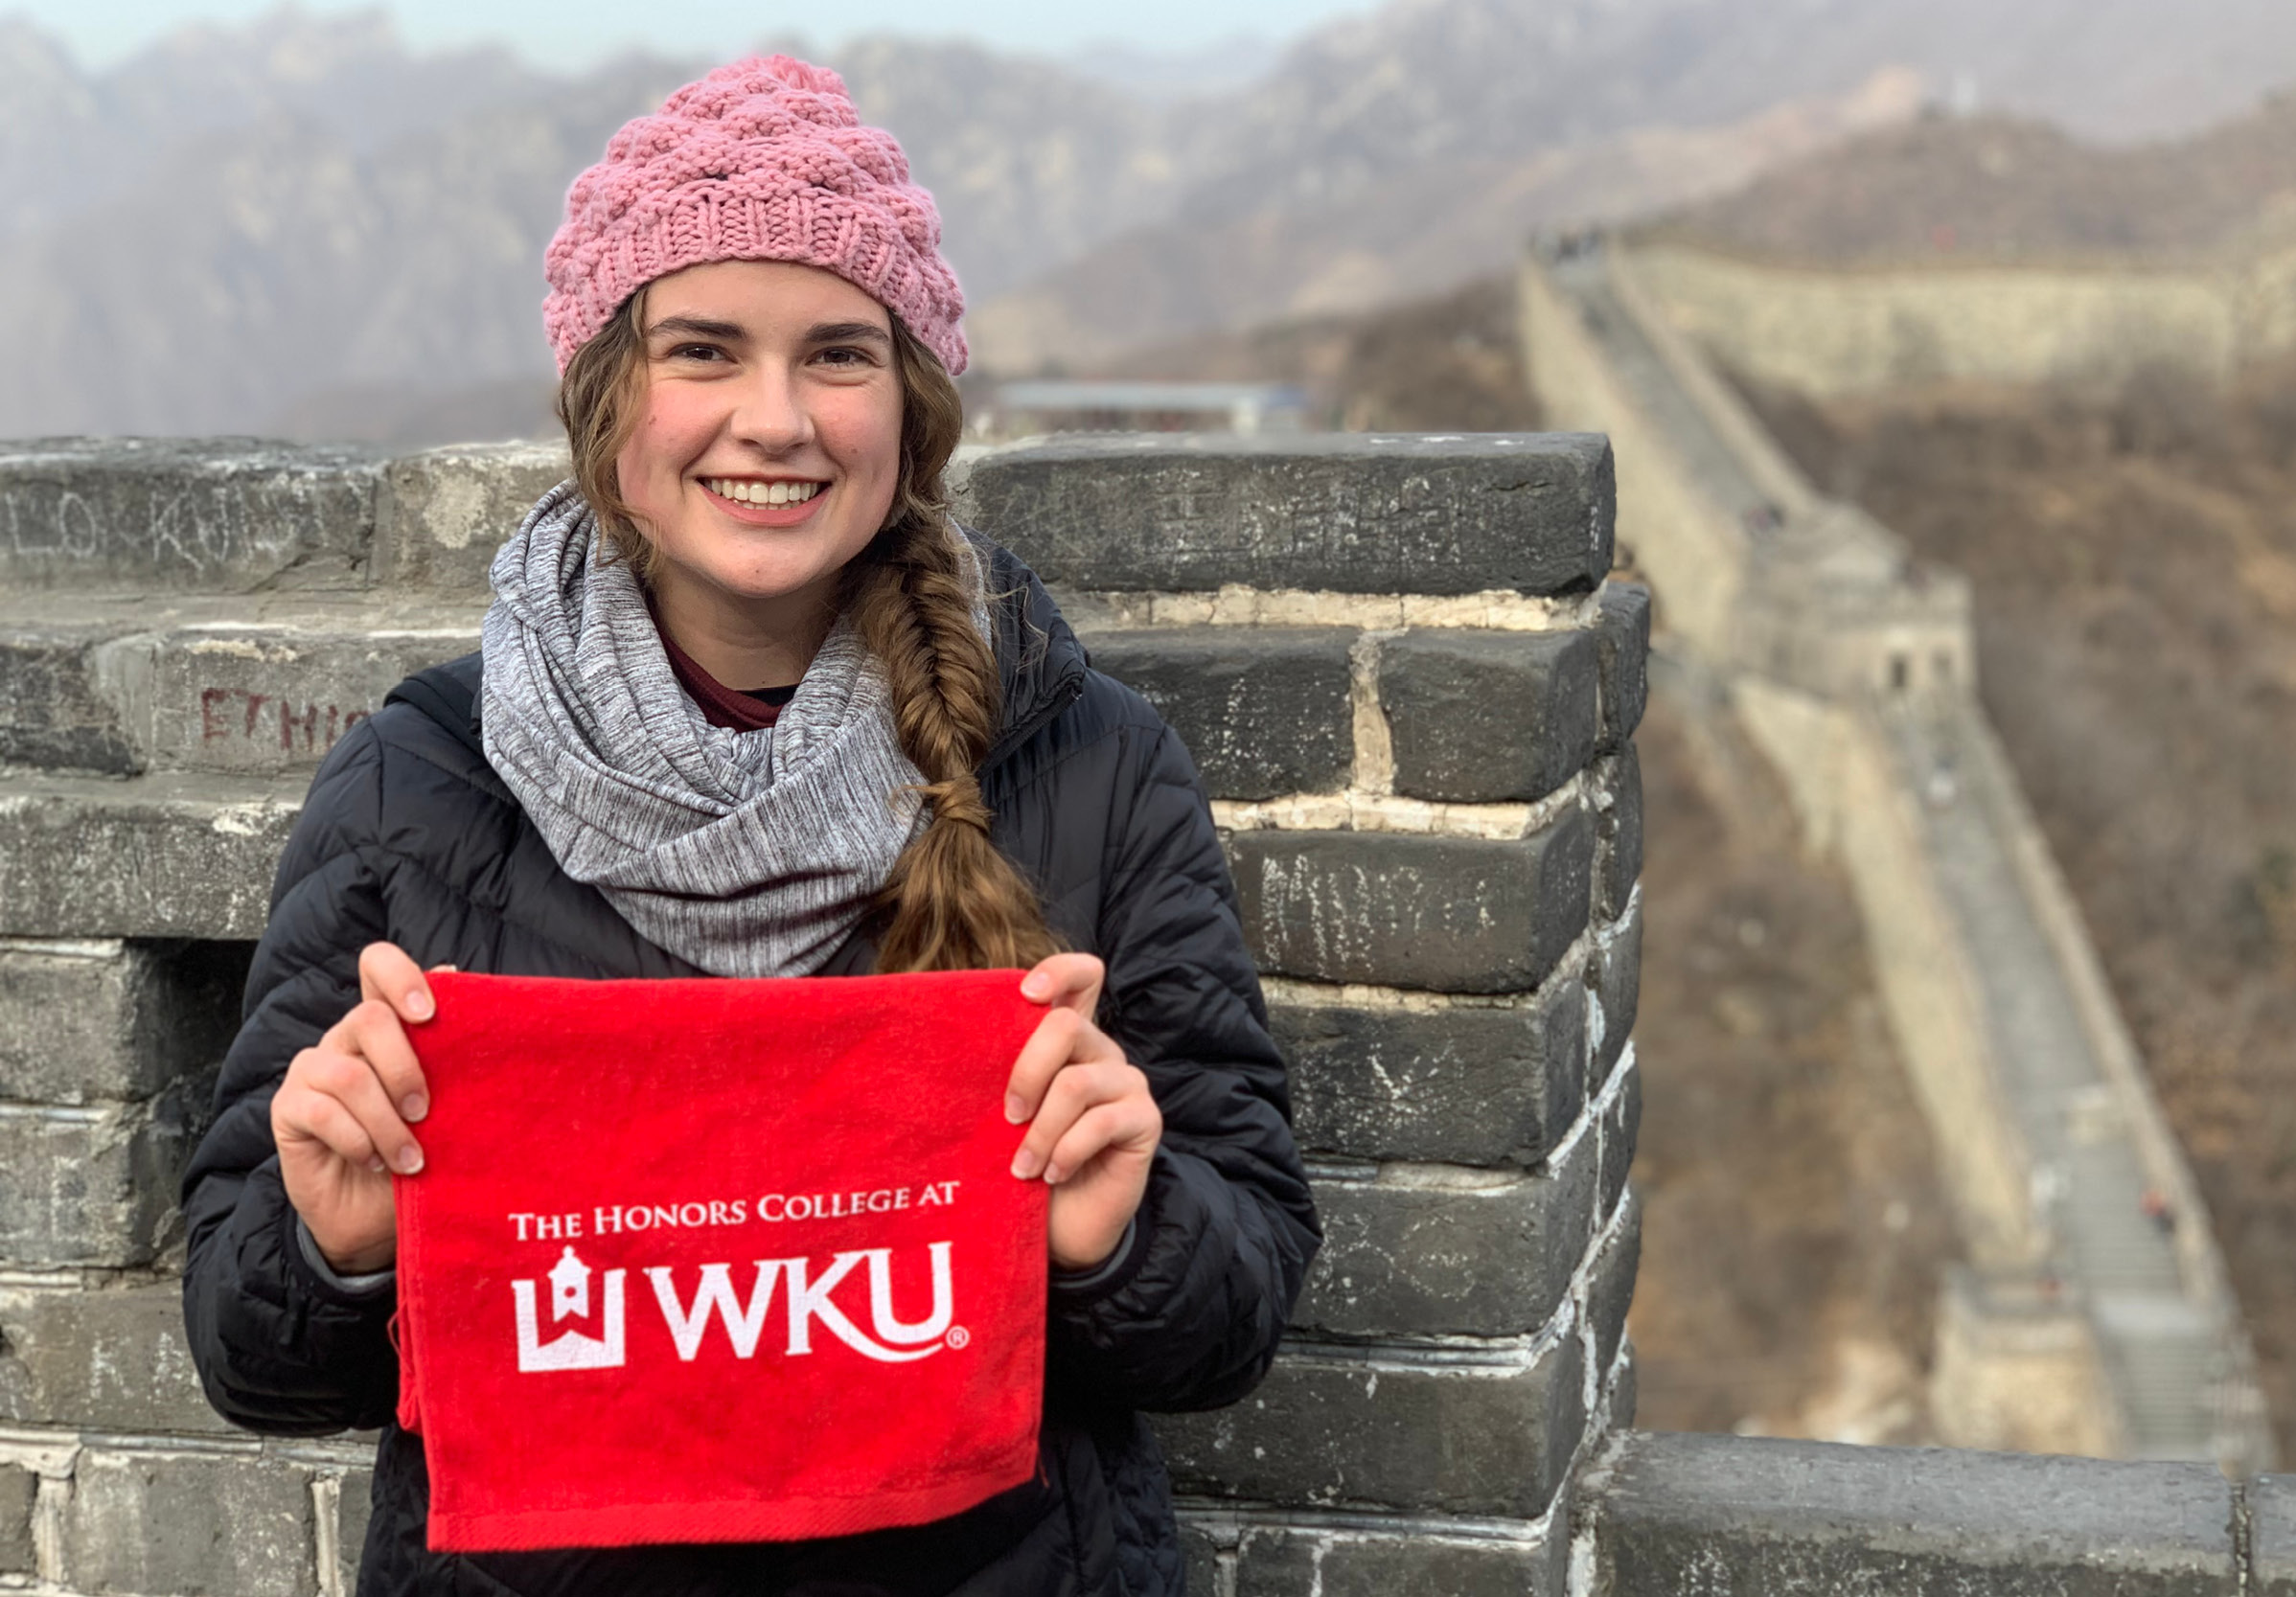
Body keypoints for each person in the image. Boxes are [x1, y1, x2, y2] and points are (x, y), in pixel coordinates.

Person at [179, 56, 1319, 1596]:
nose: (774, 421)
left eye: (839, 355)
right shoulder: (421, 784)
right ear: (607, 402)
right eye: (703, 350)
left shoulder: (1087, 764)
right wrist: (338, 1244)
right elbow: (248, 1353)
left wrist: (1124, 1227)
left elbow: (1237, 1309)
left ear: (911, 413)